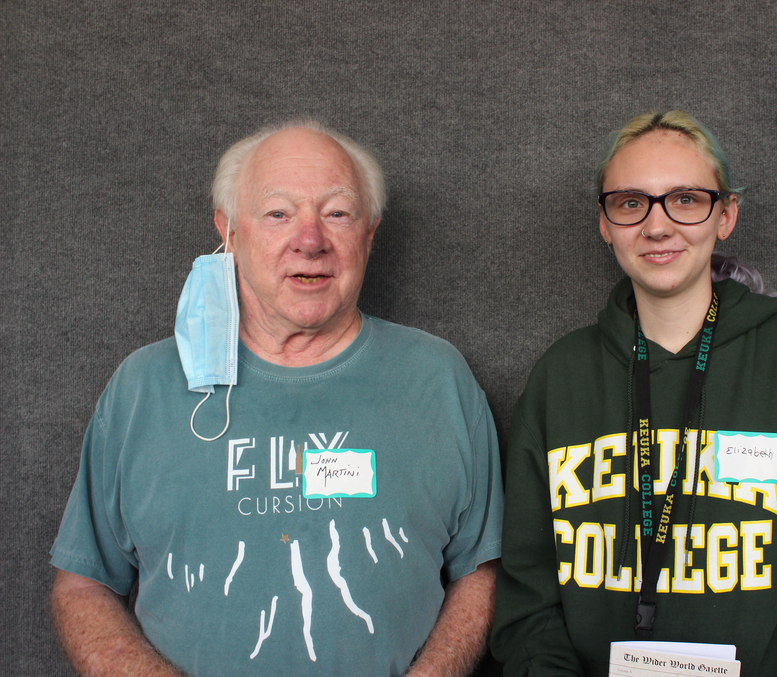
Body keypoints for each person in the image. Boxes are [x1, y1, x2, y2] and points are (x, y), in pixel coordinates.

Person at [50, 121, 503, 677]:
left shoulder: (438, 380)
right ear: (230, 232)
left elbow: (480, 570)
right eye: (278, 213)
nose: (309, 240)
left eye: (337, 213)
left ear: (370, 234)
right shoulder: (144, 387)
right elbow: (82, 584)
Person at [491, 110, 777, 676]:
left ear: (726, 214)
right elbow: (526, 605)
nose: (657, 227)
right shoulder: (561, 378)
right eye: (631, 202)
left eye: (685, 199)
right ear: (604, 222)